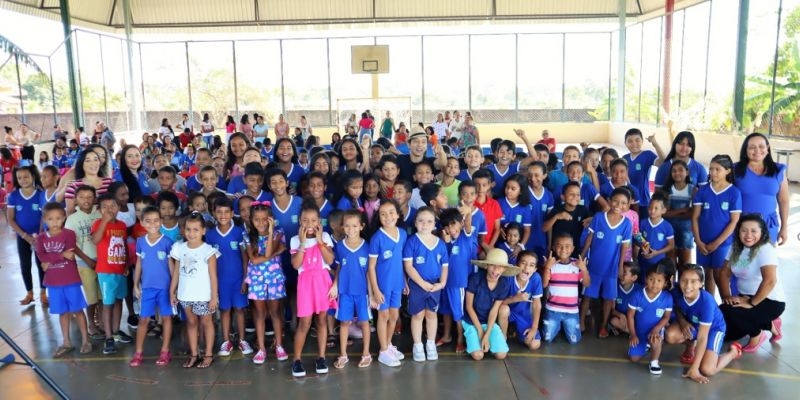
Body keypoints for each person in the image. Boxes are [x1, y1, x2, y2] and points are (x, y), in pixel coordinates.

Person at [718, 214, 785, 352]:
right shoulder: (736, 247)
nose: (748, 235)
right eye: (744, 230)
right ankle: (770, 324)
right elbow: (724, 273)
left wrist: (751, 303)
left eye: (754, 231)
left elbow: (770, 281)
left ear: (762, 232)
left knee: (733, 313)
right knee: (724, 316)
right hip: (744, 297)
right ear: (738, 232)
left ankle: (757, 335)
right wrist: (726, 296)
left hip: (769, 301)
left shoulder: (765, 249)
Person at [665, 265, 742, 384]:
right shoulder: (677, 291)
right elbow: (677, 308)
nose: (688, 286)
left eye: (693, 281)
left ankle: (733, 352)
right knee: (670, 335)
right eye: (684, 280)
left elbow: (702, 337)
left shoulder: (706, 302)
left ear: (701, 284)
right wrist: (682, 321)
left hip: (713, 329)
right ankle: (691, 346)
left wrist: (694, 369)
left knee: (707, 370)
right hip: (693, 324)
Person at [36, 202, 92, 357]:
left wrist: (51, 260)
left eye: (58, 218)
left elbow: (69, 253)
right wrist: (60, 256)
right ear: (44, 220)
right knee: (63, 313)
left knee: (78, 310)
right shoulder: (41, 238)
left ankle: (86, 340)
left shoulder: (69, 234)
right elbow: (42, 256)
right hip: (53, 282)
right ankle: (66, 342)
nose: (55, 222)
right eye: (50, 219)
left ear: (64, 218)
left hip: (70, 280)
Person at [289, 201, 337, 377]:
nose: (309, 224)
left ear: (319, 222)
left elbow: (330, 260)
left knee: (322, 321)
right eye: (305, 220)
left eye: (313, 220)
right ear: (300, 222)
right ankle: (297, 360)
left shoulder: (325, 238)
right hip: (306, 285)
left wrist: (319, 242)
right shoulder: (295, 240)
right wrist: (302, 244)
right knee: (305, 323)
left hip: (322, 283)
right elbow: (296, 265)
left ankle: (321, 357)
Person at [170, 212, 220, 369]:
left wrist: (213, 297)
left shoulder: (208, 251)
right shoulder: (179, 248)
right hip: (185, 294)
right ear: (184, 231)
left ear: (203, 231)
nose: (192, 233)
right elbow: (177, 271)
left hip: (203, 295)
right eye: (189, 229)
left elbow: (213, 276)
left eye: (196, 230)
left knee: (206, 322)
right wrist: (173, 291)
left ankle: (208, 354)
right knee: (191, 323)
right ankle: (194, 354)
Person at [580, 187, 633, 337]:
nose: (618, 205)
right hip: (594, 266)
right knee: (587, 296)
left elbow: (624, 247)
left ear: (628, 205)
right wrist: (582, 256)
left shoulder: (626, 224)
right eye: (615, 201)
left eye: (623, 203)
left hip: (611, 268)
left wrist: (621, 266)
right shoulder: (598, 217)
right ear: (609, 201)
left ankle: (603, 326)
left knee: (608, 299)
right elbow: (589, 239)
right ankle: (582, 321)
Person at [206, 198, 253, 358]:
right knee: (225, 310)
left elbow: (245, 257)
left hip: (238, 278)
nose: (223, 215)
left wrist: (245, 278)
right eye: (219, 212)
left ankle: (242, 339)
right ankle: (226, 340)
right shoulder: (210, 235)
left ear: (233, 213)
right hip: (220, 280)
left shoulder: (239, 232)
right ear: (213, 213)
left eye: (227, 212)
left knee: (240, 309)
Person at [129, 206, 175, 367]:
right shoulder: (141, 242)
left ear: (161, 221)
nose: (153, 224)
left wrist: (173, 289)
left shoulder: (167, 242)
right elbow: (139, 264)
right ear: (141, 223)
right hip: (147, 288)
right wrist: (136, 284)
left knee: (167, 318)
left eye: (156, 220)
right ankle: (138, 352)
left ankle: (165, 351)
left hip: (165, 288)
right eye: (148, 221)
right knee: (143, 320)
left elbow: (171, 266)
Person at [403, 207, 449, 362]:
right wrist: (421, 283)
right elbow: (408, 266)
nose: (425, 224)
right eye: (421, 221)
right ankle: (417, 345)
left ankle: (430, 343)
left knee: (431, 314)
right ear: (415, 223)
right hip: (417, 285)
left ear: (434, 224)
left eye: (429, 221)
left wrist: (442, 284)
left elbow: (445, 266)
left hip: (435, 285)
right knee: (418, 315)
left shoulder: (441, 244)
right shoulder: (412, 242)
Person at [691, 154, 741, 296]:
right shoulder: (703, 191)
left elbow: (734, 221)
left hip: (723, 243)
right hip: (703, 242)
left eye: (717, 169)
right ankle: (711, 304)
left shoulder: (734, 193)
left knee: (721, 275)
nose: (713, 173)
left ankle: (727, 305)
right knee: (707, 273)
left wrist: (716, 243)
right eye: (711, 169)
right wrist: (699, 241)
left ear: (728, 171)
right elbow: (695, 217)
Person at [368, 199, 408, 367]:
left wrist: (405, 281)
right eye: (383, 214)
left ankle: (389, 344)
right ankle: (383, 351)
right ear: (379, 217)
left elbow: (401, 261)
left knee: (394, 316)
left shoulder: (403, 234)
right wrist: (375, 291)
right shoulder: (377, 238)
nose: (388, 216)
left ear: (398, 215)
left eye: (391, 212)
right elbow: (371, 267)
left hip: (397, 283)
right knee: (383, 316)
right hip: (383, 285)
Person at [332, 209, 373, 369]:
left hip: (362, 293)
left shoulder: (367, 247)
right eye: (347, 226)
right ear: (343, 227)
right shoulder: (340, 246)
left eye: (355, 226)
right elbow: (339, 267)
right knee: (344, 323)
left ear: (361, 226)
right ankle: (343, 354)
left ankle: (366, 353)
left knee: (364, 323)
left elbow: (370, 271)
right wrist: (335, 285)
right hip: (345, 292)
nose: (351, 229)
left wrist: (373, 293)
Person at [92, 193, 131, 355]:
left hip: (120, 269)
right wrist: (105, 222)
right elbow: (95, 240)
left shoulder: (122, 225)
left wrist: (127, 264)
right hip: (106, 271)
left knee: (118, 300)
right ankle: (108, 337)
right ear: (99, 210)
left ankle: (115, 330)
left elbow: (124, 246)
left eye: (112, 206)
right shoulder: (98, 224)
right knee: (107, 304)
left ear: (118, 208)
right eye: (105, 207)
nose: (109, 210)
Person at [734, 133, 789, 245]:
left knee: (766, 261)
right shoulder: (735, 169)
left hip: (768, 226)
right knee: (742, 261)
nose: (757, 150)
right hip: (743, 228)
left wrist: (784, 227)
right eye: (752, 147)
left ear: (767, 148)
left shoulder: (778, 170)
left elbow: (784, 200)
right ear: (746, 150)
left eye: (761, 146)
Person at [464, 249, 519, 360]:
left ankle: (488, 343)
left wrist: (487, 334)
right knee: (478, 356)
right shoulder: (476, 279)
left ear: (504, 269)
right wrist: (480, 332)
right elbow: (468, 307)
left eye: (500, 266)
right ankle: (476, 341)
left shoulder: (503, 284)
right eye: (492, 266)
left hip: (488, 321)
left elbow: (494, 311)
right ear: (486, 266)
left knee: (501, 355)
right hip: (471, 321)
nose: (496, 270)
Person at [65, 185, 104, 338]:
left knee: (102, 296)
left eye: (89, 197)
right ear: (75, 200)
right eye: (82, 197)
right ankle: (91, 325)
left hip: (103, 261)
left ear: (94, 198)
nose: (86, 200)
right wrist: (87, 260)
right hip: (84, 263)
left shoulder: (100, 214)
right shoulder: (72, 219)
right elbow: (71, 245)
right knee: (91, 297)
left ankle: (101, 322)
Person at [541, 233, 590, 344]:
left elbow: (586, 284)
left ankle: (561, 327)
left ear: (572, 248)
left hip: (571, 311)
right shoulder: (551, 264)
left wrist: (584, 270)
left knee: (574, 340)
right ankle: (558, 327)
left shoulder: (577, 265)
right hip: (553, 310)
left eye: (567, 246)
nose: (563, 249)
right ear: (553, 247)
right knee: (547, 339)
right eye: (559, 245)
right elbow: (544, 284)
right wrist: (547, 267)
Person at [7, 165, 45, 305]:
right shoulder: (14, 196)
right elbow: (10, 219)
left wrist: (39, 235)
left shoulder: (41, 194)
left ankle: (43, 293)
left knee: (41, 264)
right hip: (22, 237)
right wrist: (24, 236)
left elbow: (43, 216)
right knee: (25, 264)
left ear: (33, 177)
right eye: (19, 178)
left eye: (26, 177)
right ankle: (29, 293)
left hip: (39, 237)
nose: (23, 180)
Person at [626, 261, 673, 375]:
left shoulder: (667, 298)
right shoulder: (637, 295)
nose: (654, 284)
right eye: (651, 279)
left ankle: (654, 362)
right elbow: (630, 315)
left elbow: (666, 317)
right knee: (634, 359)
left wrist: (656, 329)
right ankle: (646, 345)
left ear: (665, 283)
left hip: (655, 331)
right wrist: (633, 334)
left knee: (656, 340)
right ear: (646, 279)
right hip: (639, 332)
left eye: (659, 281)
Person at [499, 251, 543, 351]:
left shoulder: (535, 278)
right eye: (523, 263)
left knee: (533, 344)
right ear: (516, 264)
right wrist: (516, 298)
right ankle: (503, 338)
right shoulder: (508, 277)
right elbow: (498, 303)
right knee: (503, 309)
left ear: (535, 269)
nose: (526, 268)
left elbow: (537, 305)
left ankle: (517, 331)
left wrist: (534, 328)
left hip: (523, 315)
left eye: (531, 265)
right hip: (507, 313)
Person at [622, 128, 665, 220]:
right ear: (625, 143)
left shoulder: (648, 155)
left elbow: (663, 162)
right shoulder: (624, 158)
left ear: (642, 141)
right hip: (627, 200)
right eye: (630, 141)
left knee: (643, 227)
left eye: (637, 140)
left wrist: (655, 144)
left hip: (643, 200)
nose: (634, 144)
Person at [636, 192, 674, 280]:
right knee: (643, 280)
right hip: (643, 260)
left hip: (659, 262)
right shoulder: (643, 223)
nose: (652, 210)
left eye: (656, 208)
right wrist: (643, 247)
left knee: (655, 281)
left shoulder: (667, 226)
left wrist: (656, 253)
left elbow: (671, 245)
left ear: (663, 210)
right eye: (650, 207)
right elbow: (638, 237)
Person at [608, 261, 641, 335]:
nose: (621, 274)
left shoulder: (639, 290)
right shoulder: (615, 288)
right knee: (614, 321)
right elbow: (612, 309)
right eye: (620, 271)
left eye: (625, 272)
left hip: (634, 319)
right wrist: (620, 315)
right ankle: (635, 334)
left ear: (634, 277)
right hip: (621, 318)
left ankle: (631, 332)